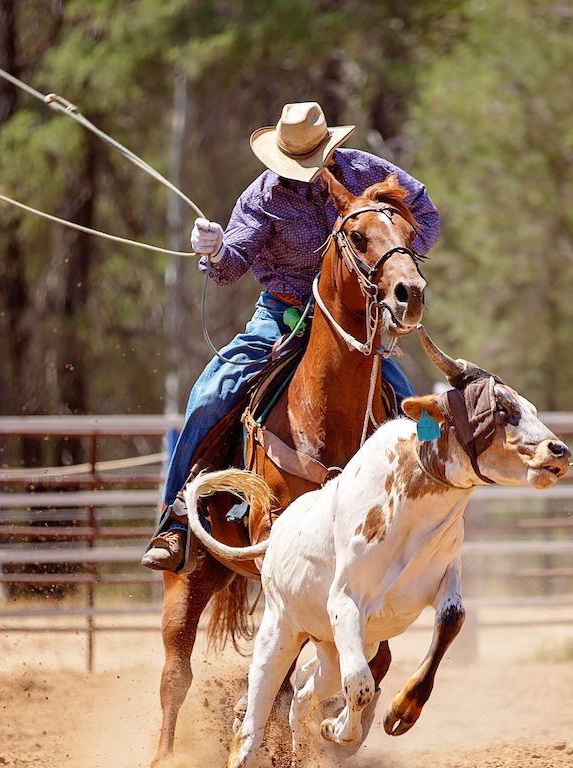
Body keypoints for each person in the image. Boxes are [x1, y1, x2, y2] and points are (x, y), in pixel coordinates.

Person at [142, 102, 441, 572]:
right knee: (210, 393)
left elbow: (426, 211)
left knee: (415, 414)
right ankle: (175, 522)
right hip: (284, 314)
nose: (305, 172)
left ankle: (427, 519)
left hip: (353, 323)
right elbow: (231, 266)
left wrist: (396, 264)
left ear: (328, 146)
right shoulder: (263, 196)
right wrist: (216, 249)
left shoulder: (368, 172)